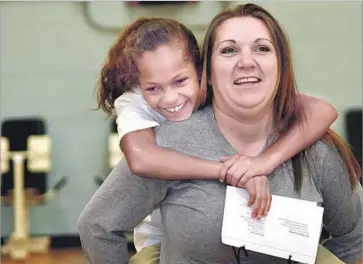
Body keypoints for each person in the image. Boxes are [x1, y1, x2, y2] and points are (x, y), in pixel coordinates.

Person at [79, 3, 362, 264]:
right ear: (208, 72)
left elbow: (354, 236)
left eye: (262, 48)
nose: (247, 61)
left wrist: (259, 164)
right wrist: (226, 170)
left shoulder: (316, 147)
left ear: (281, 65)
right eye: (229, 50)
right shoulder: (166, 143)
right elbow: (98, 226)